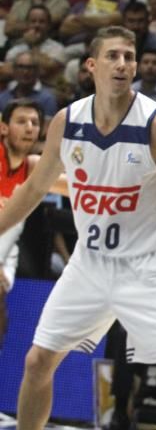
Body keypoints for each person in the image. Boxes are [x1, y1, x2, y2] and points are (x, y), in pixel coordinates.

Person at [0, 26, 156, 430]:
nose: (123, 64)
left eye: (129, 57)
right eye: (113, 56)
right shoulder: (67, 122)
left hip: (151, 266)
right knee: (36, 361)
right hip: (91, 263)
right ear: (91, 66)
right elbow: (33, 189)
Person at [0, 100, 54, 346]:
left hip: (6, 250)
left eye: (35, 123)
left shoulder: (32, 167)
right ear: (3, 128)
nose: (30, 128)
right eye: (21, 122)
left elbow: (74, 185)